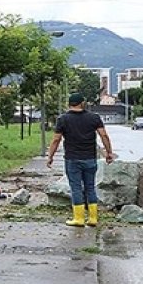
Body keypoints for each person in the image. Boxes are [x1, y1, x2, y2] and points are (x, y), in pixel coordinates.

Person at [46, 92, 115, 227]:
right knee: (90, 187)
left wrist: (50, 156)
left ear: (69, 104)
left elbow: (56, 139)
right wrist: (109, 152)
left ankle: (78, 218)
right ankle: (93, 218)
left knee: (76, 188)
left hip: (72, 159)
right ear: (82, 103)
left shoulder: (63, 119)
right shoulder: (94, 118)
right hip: (90, 158)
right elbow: (104, 135)